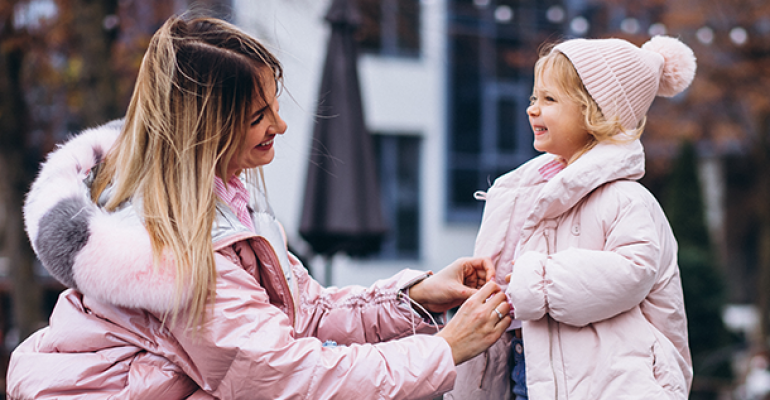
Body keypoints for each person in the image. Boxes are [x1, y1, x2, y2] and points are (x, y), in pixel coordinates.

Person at [6, 15, 512, 400]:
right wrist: (444, 350)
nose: (280, 126)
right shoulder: (167, 256)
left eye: (274, 106)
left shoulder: (218, 202)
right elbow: (288, 374)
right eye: (257, 115)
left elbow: (303, 312)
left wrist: (418, 297)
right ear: (204, 127)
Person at [446, 35, 697, 400]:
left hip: (611, 384)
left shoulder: (627, 199)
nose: (533, 108)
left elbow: (633, 270)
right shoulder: (524, 196)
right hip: (529, 369)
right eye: (534, 97)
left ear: (597, 112)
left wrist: (537, 282)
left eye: (549, 99)